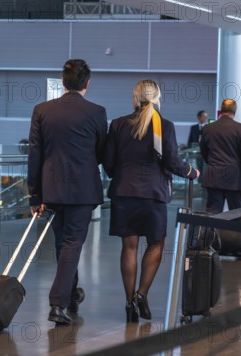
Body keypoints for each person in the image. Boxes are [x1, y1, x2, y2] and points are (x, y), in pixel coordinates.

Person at [104, 80, 199, 323]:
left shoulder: (117, 124)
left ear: (135, 97)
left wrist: (123, 175)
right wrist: (192, 172)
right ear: (157, 97)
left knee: (129, 248)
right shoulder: (163, 125)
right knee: (155, 244)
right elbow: (172, 162)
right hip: (153, 195)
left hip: (124, 193)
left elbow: (109, 164)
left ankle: (129, 303)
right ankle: (141, 295)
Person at [27, 59, 107, 326]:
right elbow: (101, 153)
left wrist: (34, 196)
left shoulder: (42, 110)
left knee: (64, 245)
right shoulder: (96, 112)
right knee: (72, 245)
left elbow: (34, 155)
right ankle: (58, 304)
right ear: (87, 83)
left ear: (63, 82)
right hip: (82, 190)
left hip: (51, 190)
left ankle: (72, 295)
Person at [200, 99, 241, 214]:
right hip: (234, 179)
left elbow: (203, 151)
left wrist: (212, 163)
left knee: (212, 215)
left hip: (213, 177)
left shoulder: (207, 128)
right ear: (235, 112)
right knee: (235, 216)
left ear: (221, 110)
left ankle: (211, 233)